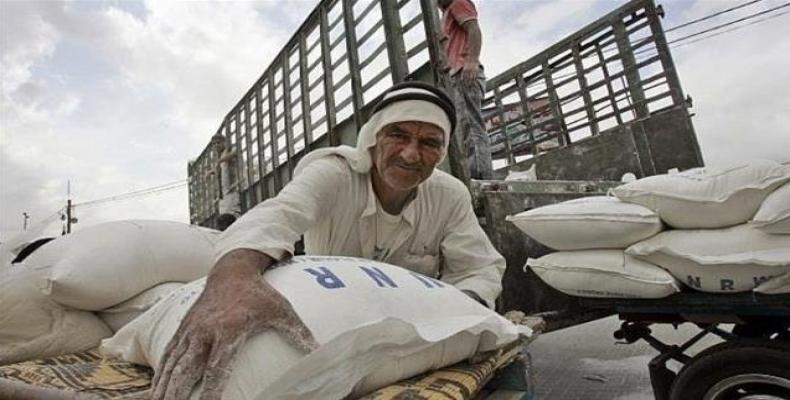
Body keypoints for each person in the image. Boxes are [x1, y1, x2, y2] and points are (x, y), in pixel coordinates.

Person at [151, 82, 506, 399]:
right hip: (335, 318)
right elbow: (278, 215)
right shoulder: (335, 173)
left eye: (429, 143)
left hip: (410, 326)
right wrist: (233, 279)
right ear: (373, 138)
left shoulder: (449, 194)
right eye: (398, 135)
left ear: (441, 153)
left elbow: (479, 267)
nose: (411, 154)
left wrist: (452, 313)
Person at [437, 0, 493, 180]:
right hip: (456, 76)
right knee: (463, 128)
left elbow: (473, 28)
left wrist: (471, 61)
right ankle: (471, 176)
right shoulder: (445, 14)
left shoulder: (458, 2)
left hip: (464, 72)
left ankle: (479, 178)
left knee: (470, 126)